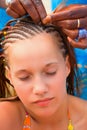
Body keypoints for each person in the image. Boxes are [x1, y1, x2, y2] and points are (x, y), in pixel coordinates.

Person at [0, 15, 87, 130]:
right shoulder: (5, 118)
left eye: (51, 72)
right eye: (24, 77)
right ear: (10, 76)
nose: (40, 89)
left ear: (67, 66)